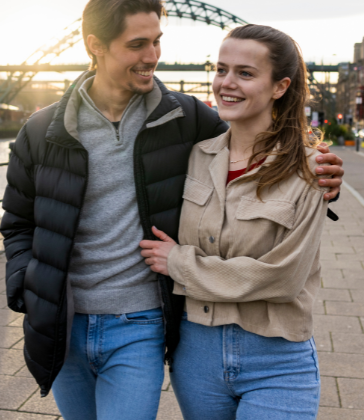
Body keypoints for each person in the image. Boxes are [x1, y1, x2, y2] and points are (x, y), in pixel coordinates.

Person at [0, 0, 344, 420]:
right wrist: (26, 288)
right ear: (96, 46)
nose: (152, 55)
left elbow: (259, 141)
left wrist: (323, 176)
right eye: (137, 44)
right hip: (63, 324)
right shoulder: (42, 129)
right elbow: (17, 222)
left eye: (158, 41)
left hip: (141, 323)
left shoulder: (187, 119)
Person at [139, 24, 333, 420]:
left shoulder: (312, 170)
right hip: (196, 356)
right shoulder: (194, 157)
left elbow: (284, 278)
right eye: (221, 69)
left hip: (277, 358)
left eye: (245, 73)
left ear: (279, 87)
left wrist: (179, 263)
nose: (227, 83)